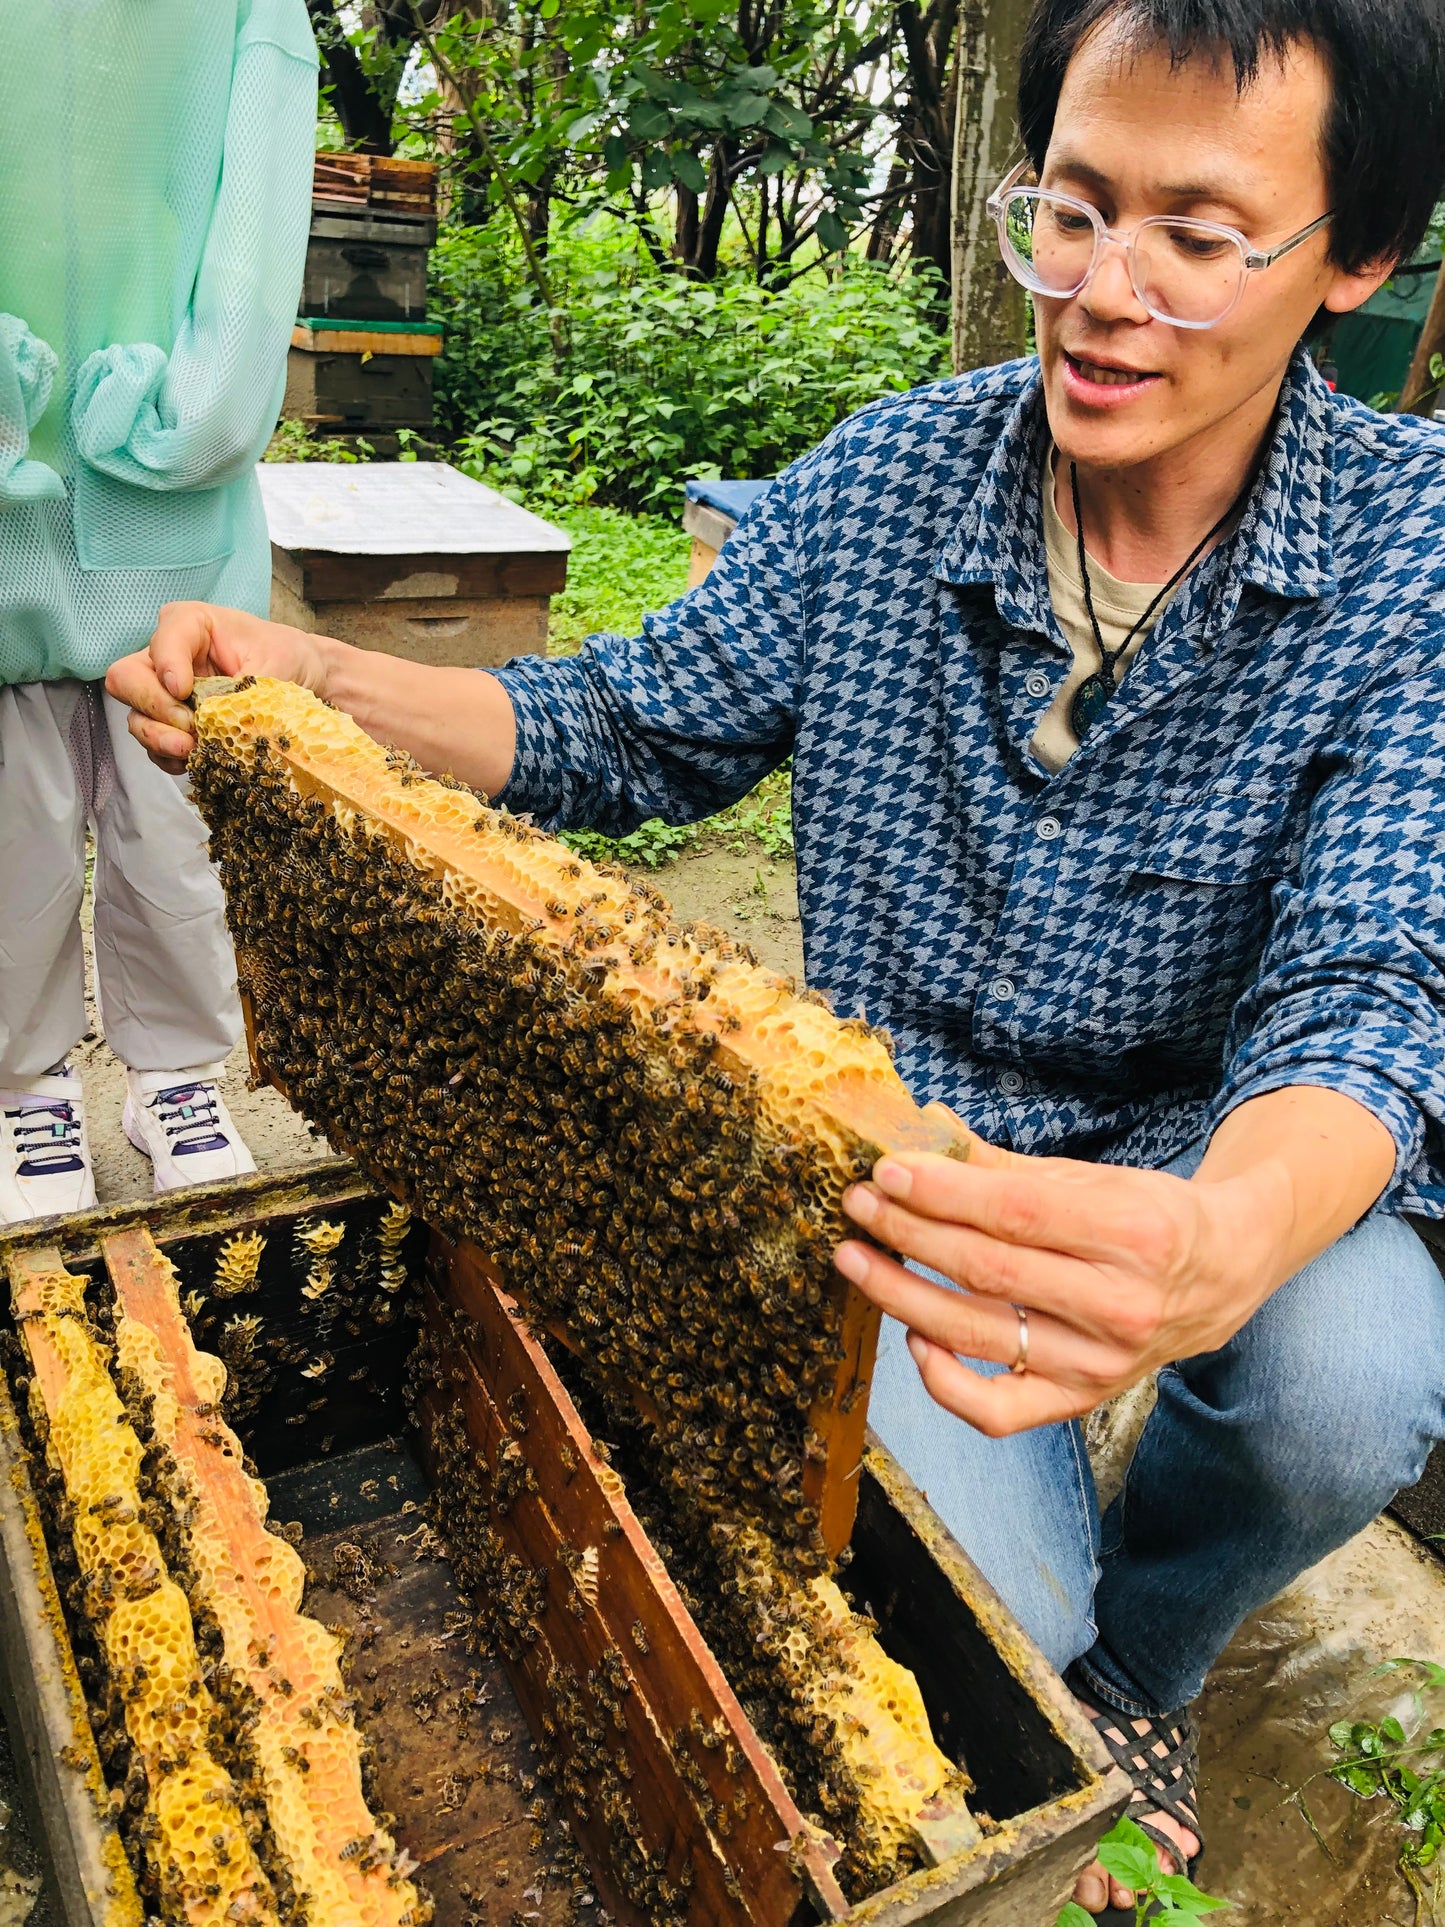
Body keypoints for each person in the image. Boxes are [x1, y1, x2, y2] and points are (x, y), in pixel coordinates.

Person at [111, 0, 1445, 1911]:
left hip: (1210, 1138)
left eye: (1196, 234)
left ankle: (1149, 1664)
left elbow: (1373, 977)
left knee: (1357, 1368)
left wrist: (1225, 1232)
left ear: (1358, 259)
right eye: (1069, 210)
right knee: (995, 1600)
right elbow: (626, 722)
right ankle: (1067, 1624)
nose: (1103, 290)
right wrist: (325, 676)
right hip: (898, 1147)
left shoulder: (1418, 553)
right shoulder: (897, 477)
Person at [0, 0, 319, 1220]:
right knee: (11, 820)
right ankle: (23, 1086)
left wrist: (193, 412)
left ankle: (177, 1074)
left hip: (172, 512)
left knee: (173, 810)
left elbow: (253, 225)